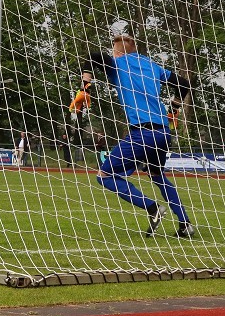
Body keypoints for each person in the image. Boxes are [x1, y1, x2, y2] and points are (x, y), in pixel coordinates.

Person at [80, 34, 194, 238]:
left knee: (104, 176)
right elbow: (184, 84)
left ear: (117, 52)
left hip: (143, 133)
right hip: (163, 132)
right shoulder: (152, 66)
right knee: (156, 175)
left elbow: (93, 57)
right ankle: (185, 224)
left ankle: (152, 207)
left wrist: (85, 88)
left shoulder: (117, 64)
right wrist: (174, 109)